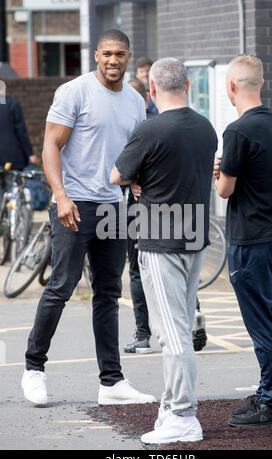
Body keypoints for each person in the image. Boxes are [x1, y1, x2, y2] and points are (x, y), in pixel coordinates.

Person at [21, 29, 155, 407]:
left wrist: (138, 181)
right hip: (75, 204)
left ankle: (111, 381)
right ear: (96, 55)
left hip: (114, 205)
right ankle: (34, 368)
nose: (114, 60)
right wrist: (60, 196)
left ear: (130, 57)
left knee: (109, 294)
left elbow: (132, 151)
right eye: (107, 53)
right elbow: (50, 144)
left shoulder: (135, 100)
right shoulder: (74, 92)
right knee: (61, 287)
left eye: (121, 54)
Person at [111, 57, 218, 444]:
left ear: (152, 90)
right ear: (187, 87)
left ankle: (183, 416)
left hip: (161, 239)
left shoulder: (149, 129)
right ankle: (172, 408)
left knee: (171, 334)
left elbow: (116, 174)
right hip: (195, 239)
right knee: (181, 326)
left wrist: (136, 178)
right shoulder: (206, 127)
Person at [214, 54, 272, 427]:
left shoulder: (238, 131)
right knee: (269, 318)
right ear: (259, 83)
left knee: (262, 323)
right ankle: (268, 393)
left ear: (231, 86)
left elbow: (225, 190)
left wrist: (218, 172)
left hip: (251, 240)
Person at [123, 79, 155, 354]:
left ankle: (143, 335)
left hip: (140, 208)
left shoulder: (134, 127)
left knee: (137, 270)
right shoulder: (163, 120)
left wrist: (132, 178)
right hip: (177, 207)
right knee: (182, 267)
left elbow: (117, 168)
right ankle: (192, 323)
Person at [0, 94, 38, 199]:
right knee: (13, 186)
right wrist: (30, 153)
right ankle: (12, 212)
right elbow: (21, 132)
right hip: (11, 157)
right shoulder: (12, 104)